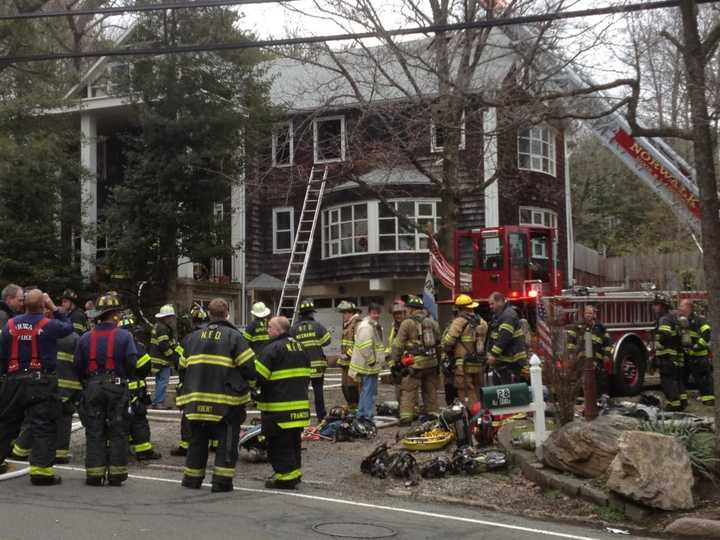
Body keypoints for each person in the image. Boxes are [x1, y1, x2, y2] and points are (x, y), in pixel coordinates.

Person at [177, 298, 256, 492]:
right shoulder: (235, 337)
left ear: (209, 314)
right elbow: (249, 368)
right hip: (226, 403)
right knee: (227, 442)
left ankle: (191, 480)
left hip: (195, 402)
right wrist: (250, 387)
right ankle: (221, 482)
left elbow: (180, 368)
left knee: (197, 441)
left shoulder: (192, 337)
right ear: (227, 313)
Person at [0, 289, 73, 483]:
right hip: (40, 383)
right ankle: (41, 473)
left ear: (23, 304)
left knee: (6, 425)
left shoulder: (9, 326)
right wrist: (54, 307)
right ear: (42, 305)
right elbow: (68, 327)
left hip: (13, 381)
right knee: (43, 426)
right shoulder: (49, 325)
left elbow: (2, 356)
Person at [74, 293, 137, 486]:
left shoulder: (85, 338)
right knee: (118, 429)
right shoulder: (125, 336)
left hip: (93, 386)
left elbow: (77, 366)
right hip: (116, 387)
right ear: (115, 314)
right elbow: (132, 363)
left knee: (94, 430)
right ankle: (117, 475)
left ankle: (94, 474)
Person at [11, 307, 80, 465]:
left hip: (44, 383)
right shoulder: (73, 337)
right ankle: (60, 453)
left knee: (35, 417)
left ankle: (20, 451)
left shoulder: (43, 333)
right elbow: (80, 363)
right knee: (64, 419)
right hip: (69, 387)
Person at [256, 316, 311, 490]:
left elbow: (258, 376)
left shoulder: (272, 349)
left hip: (278, 408)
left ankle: (285, 478)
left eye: (270, 327)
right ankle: (293, 473)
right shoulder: (301, 347)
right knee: (293, 443)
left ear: (279, 330)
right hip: (299, 407)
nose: (267, 330)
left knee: (278, 445)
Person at [390, 295, 441, 425]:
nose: (406, 311)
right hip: (431, 363)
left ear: (412, 309)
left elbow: (398, 344)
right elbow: (439, 344)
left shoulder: (407, 323)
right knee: (430, 390)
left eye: (407, 308)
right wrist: (438, 362)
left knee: (408, 390)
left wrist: (394, 362)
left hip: (415, 364)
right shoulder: (432, 322)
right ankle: (433, 415)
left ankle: (406, 418)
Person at [118, 314, 161, 461]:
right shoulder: (138, 347)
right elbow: (145, 367)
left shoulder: (112, 343)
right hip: (135, 390)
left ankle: (119, 449)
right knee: (139, 420)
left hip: (116, 389)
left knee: (118, 419)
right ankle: (144, 451)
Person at [172, 303, 211, 457]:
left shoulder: (188, 339)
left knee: (189, 413)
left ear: (193, 322)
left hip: (192, 382)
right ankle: (213, 443)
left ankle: (186, 445)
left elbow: (179, 362)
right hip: (212, 383)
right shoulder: (216, 337)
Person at [441, 294, 488, 406]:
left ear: (459, 308)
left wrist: (446, 349)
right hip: (478, 364)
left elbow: (448, 342)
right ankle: (482, 415)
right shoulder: (482, 322)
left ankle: (474, 417)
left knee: (466, 392)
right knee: (477, 390)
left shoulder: (459, 321)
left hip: (463, 365)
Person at [290, 299, 331, 422]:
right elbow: (327, 342)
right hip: (317, 367)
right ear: (311, 313)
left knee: (301, 394)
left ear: (301, 314)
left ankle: (302, 416)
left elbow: (290, 346)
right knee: (318, 392)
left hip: (302, 367)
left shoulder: (293, 329)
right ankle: (321, 417)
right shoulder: (317, 326)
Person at [566, 305, 614, 396]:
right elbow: (571, 340)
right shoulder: (578, 326)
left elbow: (608, 343)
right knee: (580, 379)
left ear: (593, 314)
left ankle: (599, 398)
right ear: (584, 314)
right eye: (587, 313)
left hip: (597, 359)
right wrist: (571, 354)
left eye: (590, 313)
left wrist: (607, 355)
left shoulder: (600, 327)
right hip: (581, 358)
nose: (588, 315)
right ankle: (581, 397)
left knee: (598, 379)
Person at [350, 303, 385, 420]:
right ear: (369, 313)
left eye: (378, 313)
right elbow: (365, 347)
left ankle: (362, 414)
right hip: (368, 366)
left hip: (370, 366)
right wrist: (372, 361)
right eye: (374, 313)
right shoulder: (366, 327)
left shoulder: (372, 325)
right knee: (368, 392)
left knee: (367, 391)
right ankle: (366, 416)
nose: (376, 315)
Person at [651, 293, 685, 411]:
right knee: (676, 380)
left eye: (657, 305)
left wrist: (657, 342)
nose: (654, 307)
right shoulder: (673, 318)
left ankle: (673, 405)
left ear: (663, 306)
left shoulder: (664, 319)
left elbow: (664, 335)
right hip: (674, 356)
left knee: (668, 382)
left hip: (666, 357)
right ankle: (682, 402)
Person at [486, 292, 528, 384]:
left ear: (500, 302)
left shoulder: (508, 316)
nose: (490, 306)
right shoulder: (499, 316)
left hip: (512, 362)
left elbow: (504, 337)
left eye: (492, 304)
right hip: (505, 361)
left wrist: (493, 354)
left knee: (510, 391)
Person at [678, 299, 713, 406]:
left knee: (703, 380)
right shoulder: (681, 321)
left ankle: (708, 399)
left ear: (688, 307)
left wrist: (697, 346)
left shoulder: (699, 320)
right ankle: (680, 401)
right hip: (686, 356)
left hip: (699, 357)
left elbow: (707, 334)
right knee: (681, 378)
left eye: (681, 306)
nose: (680, 308)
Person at [149, 304, 181, 409]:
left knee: (159, 381)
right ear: (165, 317)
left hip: (157, 359)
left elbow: (170, 343)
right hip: (162, 360)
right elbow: (164, 345)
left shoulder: (159, 326)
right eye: (170, 317)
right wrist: (173, 356)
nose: (171, 319)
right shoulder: (163, 329)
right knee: (163, 381)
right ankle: (158, 402)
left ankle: (157, 402)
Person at [337, 300, 361, 411]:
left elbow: (359, 343)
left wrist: (347, 354)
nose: (342, 316)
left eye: (344, 313)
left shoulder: (356, 324)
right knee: (344, 386)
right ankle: (351, 407)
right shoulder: (348, 325)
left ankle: (355, 408)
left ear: (350, 313)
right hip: (346, 363)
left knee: (352, 387)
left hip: (353, 363)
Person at [386, 301, 406, 401]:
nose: (398, 316)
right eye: (395, 314)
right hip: (396, 364)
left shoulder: (407, 325)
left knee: (407, 391)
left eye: (400, 313)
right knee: (398, 390)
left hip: (407, 363)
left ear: (404, 313)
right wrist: (390, 362)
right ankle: (401, 409)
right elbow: (391, 345)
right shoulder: (394, 327)